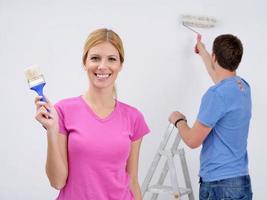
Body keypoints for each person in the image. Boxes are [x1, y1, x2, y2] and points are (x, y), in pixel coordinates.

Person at [34, 28, 150, 200]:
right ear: (85, 63)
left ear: (120, 65)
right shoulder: (63, 111)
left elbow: (132, 181)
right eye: (95, 58)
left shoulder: (134, 118)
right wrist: (51, 131)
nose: (102, 66)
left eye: (112, 59)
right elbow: (57, 182)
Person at [169, 34, 253, 200]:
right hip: (241, 182)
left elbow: (193, 141)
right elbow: (220, 78)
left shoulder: (216, 95)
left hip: (219, 185)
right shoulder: (242, 87)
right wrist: (203, 51)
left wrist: (178, 120)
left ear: (215, 57)